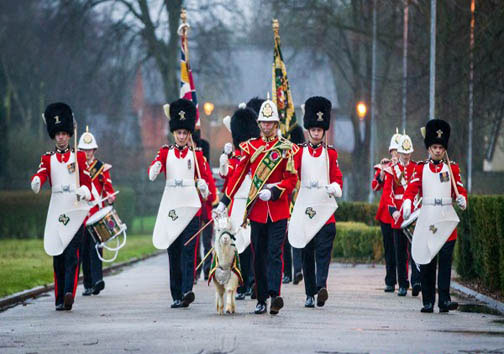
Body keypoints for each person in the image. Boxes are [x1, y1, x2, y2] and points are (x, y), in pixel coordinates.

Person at [215, 98, 299, 315]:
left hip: (278, 208)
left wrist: (274, 191)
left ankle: (274, 295)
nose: (267, 126)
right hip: (258, 211)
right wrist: (224, 202)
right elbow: (237, 176)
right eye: (264, 122)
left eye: (271, 122)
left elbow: (291, 180)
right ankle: (261, 299)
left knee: (274, 253)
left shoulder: (285, 149)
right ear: (259, 123)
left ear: (276, 124)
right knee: (259, 254)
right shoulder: (251, 147)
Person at [148, 98, 214, 309]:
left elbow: (205, 179)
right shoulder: (165, 152)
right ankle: (176, 294)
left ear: (189, 134)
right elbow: (153, 169)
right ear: (174, 133)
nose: (182, 136)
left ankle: (187, 290)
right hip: (172, 207)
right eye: (179, 133)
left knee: (189, 251)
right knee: (174, 252)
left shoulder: (196, 154)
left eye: (185, 133)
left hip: (191, 207)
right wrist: (156, 168)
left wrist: (204, 188)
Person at [30, 102, 93, 311]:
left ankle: (69, 293)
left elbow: (88, 183)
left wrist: (84, 191)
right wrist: (37, 181)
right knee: (58, 256)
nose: (61, 138)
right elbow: (42, 173)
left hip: (74, 209)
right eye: (57, 134)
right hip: (57, 209)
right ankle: (59, 297)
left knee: (73, 255)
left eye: (64, 134)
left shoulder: (80, 156)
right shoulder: (47, 158)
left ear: (69, 134)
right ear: (54, 136)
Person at [402, 119, 467, 313]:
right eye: (434, 147)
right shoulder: (421, 168)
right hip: (429, 217)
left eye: (440, 147)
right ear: (428, 148)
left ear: (444, 149)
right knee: (428, 260)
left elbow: (459, 190)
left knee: (446, 262)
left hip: (446, 218)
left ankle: (444, 300)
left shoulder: (452, 169)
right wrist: (406, 202)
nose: (437, 150)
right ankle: (428, 300)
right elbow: (412, 189)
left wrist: (462, 199)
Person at [289, 96, 343, 308]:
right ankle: (310, 293)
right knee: (306, 252)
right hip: (305, 206)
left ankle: (321, 287)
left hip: (325, 208)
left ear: (323, 131)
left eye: (320, 130)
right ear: (308, 130)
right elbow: (292, 177)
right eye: (314, 129)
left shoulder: (331, 153)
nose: (317, 132)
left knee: (323, 251)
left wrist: (336, 187)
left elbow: (337, 176)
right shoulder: (298, 152)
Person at [219, 106, 261, 300]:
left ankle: (254, 282)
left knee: (254, 245)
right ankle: (243, 283)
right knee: (239, 245)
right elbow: (229, 178)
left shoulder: (257, 156)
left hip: (253, 202)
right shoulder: (235, 158)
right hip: (237, 205)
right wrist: (225, 162)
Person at [78, 127, 115, 296]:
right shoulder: (76, 168)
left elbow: (107, 187)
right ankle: (87, 284)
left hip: (96, 211)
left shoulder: (101, 167)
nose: (87, 153)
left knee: (97, 247)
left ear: (94, 149)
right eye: (84, 150)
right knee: (84, 250)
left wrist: (110, 197)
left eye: (89, 149)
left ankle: (98, 280)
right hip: (81, 212)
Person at [383, 134, 420, 297]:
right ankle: (403, 283)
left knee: (416, 250)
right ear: (399, 152)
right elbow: (387, 193)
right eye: (403, 153)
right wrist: (394, 211)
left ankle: (416, 281)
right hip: (398, 213)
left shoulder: (417, 168)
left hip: (414, 212)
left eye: (408, 153)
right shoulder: (392, 170)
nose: (405, 157)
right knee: (400, 252)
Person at [372, 130, 401, 293]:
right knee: (389, 248)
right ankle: (390, 280)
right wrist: (382, 172)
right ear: (391, 152)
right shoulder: (385, 167)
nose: (396, 154)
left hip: (401, 212)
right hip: (386, 214)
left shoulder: (405, 168)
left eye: (399, 151)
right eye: (394, 151)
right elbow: (375, 186)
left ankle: (404, 280)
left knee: (402, 249)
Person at [283, 124, 305, 285]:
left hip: (298, 198)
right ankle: (289, 272)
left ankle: (296, 271)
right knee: (284, 239)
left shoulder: (300, 155)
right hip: (287, 198)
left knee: (295, 236)